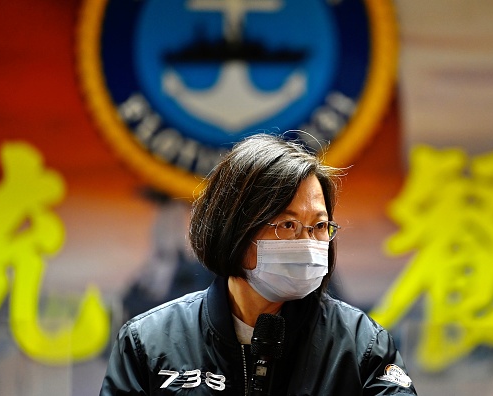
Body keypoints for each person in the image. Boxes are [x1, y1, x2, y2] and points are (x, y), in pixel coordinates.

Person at [100, 133, 417, 395]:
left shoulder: (363, 345)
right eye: (288, 225)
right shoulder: (149, 342)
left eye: (320, 226)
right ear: (235, 231)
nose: (308, 244)